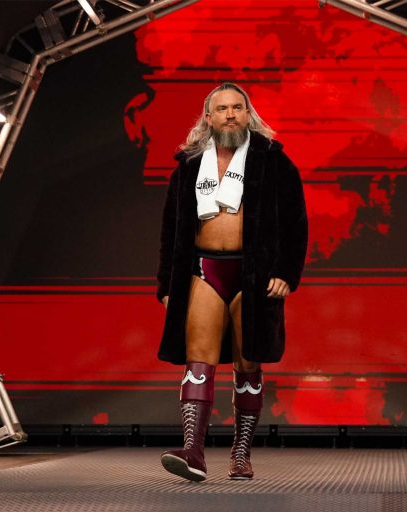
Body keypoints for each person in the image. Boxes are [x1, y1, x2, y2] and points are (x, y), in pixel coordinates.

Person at [156, 82, 308, 481]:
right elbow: (171, 227)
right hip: (203, 269)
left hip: (254, 274)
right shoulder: (189, 165)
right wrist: (167, 284)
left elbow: (296, 222)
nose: (229, 114)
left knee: (248, 362)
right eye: (221, 108)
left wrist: (286, 273)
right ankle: (193, 451)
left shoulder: (273, 161)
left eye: (237, 108)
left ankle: (241, 454)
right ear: (208, 118)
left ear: (248, 114)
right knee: (197, 361)